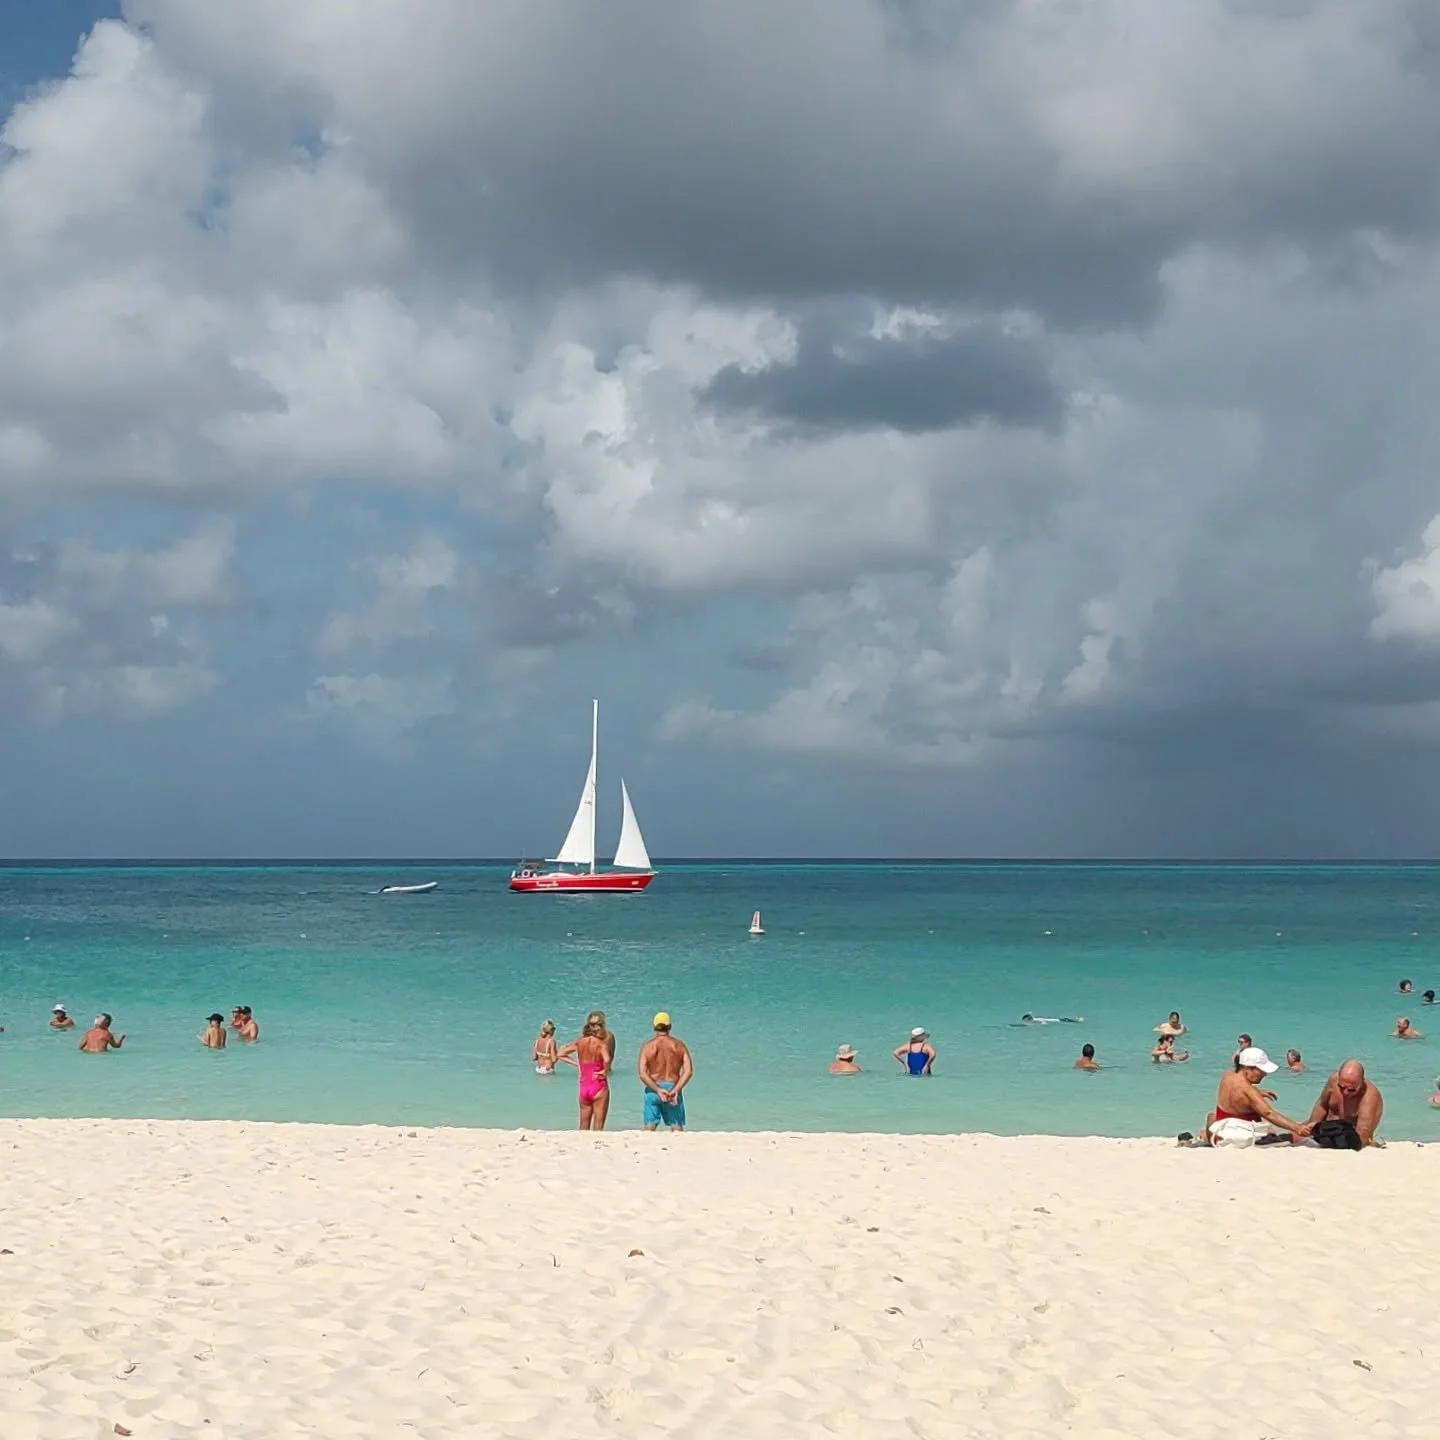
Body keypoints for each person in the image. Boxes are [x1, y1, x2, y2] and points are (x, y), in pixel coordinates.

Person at [1205, 1047, 1311, 1146]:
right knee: (1294, 1136)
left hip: (1221, 1134)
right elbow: (1269, 1114)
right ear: (1248, 1068)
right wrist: (1297, 1128)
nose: (1265, 1074)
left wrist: (1259, 1092)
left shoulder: (1227, 1075)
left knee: (1211, 1116)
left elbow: (1237, 1091)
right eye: (1262, 1070)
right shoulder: (1249, 1092)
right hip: (1241, 1139)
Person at [1308, 1060, 1383, 1148]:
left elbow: (1361, 1137)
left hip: (1345, 1140)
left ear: (1362, 1083)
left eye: (1351, 1090)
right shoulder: (1333, 1080)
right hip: (1323, 1133)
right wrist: (1313, 1127)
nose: (1345, 1093)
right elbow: (1322, 1105)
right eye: (1341, 1087)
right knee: (1292, 1135)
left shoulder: (1370, 1097)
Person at [556, 1014, 612, 1130]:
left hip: (584, 1085)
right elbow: (607, 1059)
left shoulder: (579, 1042)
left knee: (583, 1126)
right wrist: (605, 1071)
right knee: (598, 1126)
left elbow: (560, 1054)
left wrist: (577, 1064)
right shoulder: (601, 1043)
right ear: (601, 1027)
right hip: (598, 1084)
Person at [638, 1012, 693, 1130]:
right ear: (670, 1026)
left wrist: (658, 1089)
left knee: (650, 1125)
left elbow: (642, 1074)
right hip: (673, 1088)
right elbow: (688, 1071)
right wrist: (676, 1090)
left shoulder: (648, 1047)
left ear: (654, 1027)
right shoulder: (679, 1046)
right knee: (676, 1126)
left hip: (654, 1088)